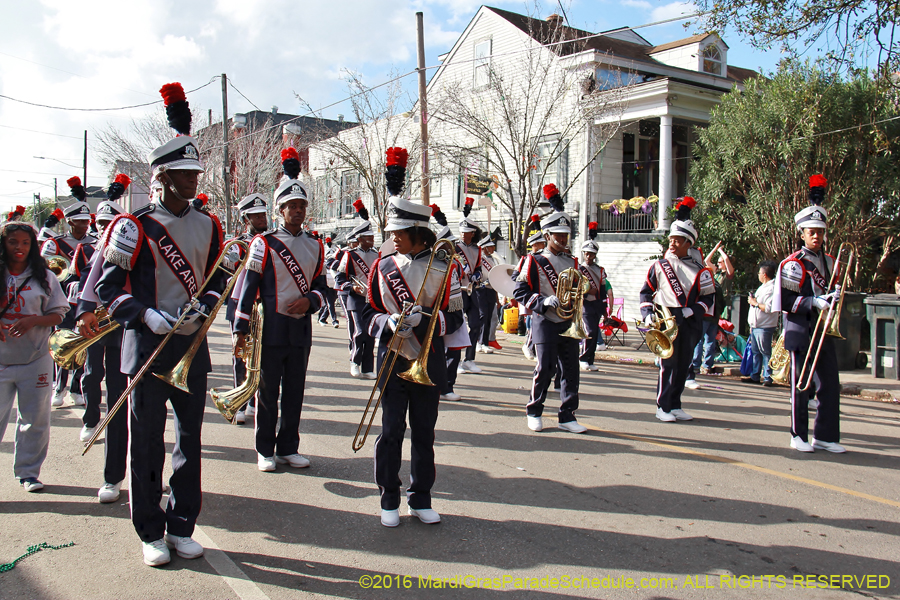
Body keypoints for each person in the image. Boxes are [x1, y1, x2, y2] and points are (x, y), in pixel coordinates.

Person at [95, 82, 227, 566]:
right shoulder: (132, 225)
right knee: (147, 443)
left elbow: (218, 277)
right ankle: (150, 529)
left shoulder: (210, 224)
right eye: (185, 174)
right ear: (164, 177)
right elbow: (110, 290)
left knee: (190, 442)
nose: (194, 180)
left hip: (191, 348)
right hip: (147, 348)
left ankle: (182, 522)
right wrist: (147, 313)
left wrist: (205, 305)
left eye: (196, 173)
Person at [363, 148, 463, 526]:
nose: (393, 239)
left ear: (418, 233)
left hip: (428, 358)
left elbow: (455, 318)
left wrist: (428, 322)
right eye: (391, 233)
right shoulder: (382, 265)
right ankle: (388, 497)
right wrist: (388, 323)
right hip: (391, 357)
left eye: (399, 234)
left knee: (424, 432)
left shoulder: (444, 266)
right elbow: (367, 313)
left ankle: (421, 497)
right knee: (390, 432)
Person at [233, 148, 326, 474]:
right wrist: (240, 329)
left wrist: (310, 301)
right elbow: (248, 287)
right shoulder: (264, 243)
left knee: (295, 393)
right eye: (292, 206)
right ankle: (265, 449)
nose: (298, 211)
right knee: (268, 392)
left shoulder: (316, 245)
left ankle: (289, 447)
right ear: (280, 210)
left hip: (300, 329)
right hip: (270, 328)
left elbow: (322, 287)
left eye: (302, 206)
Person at [775, 175, 845, 454]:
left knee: (830, 384)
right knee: (800, 387)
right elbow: (786, 300)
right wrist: (813, 302)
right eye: (811, 231)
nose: (816, 236)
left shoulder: (829, 262)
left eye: (820, 231)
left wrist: (833, 299)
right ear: (802, 233)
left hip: (823, 330)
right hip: (801, 329)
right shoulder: (793, 264)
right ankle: (798, 435)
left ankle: (826, 436)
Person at [513, 184, 588, 434]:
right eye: (558, 235)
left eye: (565, 235)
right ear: (547, 235)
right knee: (545, 368)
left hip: (567, 322)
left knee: (571, 370)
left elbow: (577, 290)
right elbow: (519, 291)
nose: (563, 239)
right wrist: (541, 301)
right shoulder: (534, 260)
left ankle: (567, 415)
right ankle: (534, 411)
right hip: (545, 322)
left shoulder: (573, 261)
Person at [0, 222, 68, 492]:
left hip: (35, 358)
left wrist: (33, 321)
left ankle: (28, 473)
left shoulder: (45, 276)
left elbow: (59, 314)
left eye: (26, 243)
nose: (19, 248)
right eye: (13, 242)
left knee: (35, 420)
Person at [639, 197, 715, 422]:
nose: (671, 244)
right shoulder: (659, 266)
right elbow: (645, 292)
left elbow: (708, 297)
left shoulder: (701, 270)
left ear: (688, 243)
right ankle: (662, 406)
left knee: (684, 366)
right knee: (667, 365)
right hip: (666, 321)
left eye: (677, 240)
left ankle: (675, 404)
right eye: (671, 240)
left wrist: (694, 311)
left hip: (690, 323)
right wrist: (648, 313)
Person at [43, 179, 97, 408]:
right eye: (80, 221)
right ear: (70, 221)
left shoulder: (94, 243)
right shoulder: (55, 243)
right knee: (62, 341)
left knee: (81, 344)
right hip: (61, 300)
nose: (85, 225)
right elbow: (44, 272)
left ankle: (75, 388)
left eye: (87, 221)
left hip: (83, 301)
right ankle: (59, 386)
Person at [225, 192, 270, 425]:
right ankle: (239, 401)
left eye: (263, 214)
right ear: (246, 220)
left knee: (260, 355)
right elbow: (228, 270)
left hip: (263, 305)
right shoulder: (238, 245)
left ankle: (254, 401)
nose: (262, 219)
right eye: (256, 216)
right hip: (240, 301)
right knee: (240, 353)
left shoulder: (272, 241)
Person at [334, 200, 378, 379]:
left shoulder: (377, 254)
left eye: (372, 237)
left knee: (370, 334)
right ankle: (355, 362)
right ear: (359, 239)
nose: (371, 240)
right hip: (356, 299)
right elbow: (339, 278)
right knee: (359, 332)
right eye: (368, 238)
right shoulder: (349, 255)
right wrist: (352, 287)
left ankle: (368, 368)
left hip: (372, 300)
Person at [684, 241, 732, 388]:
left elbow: (729, 270)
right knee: (707, 340)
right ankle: (704, 364)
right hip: (710, 315)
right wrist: (716, 249)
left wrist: (722, 254)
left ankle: (700, 364)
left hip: (710, 315)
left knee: (703, 340)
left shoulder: (721, 280)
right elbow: (706, 261)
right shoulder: (713, 278)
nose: (716, 265)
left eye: (719, 263)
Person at [456, 198, 484, 375]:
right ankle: (455, 360)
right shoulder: (454, 247)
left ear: (473, 233)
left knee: (475, 324)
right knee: (458, 326)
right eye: (462, 231)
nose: (463, 235)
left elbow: (479, 268)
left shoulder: (477, 250)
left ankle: (469, 359)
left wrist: (477, 275)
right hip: (457, 291)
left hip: (472, 291)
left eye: (467, 232)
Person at [743, 260, 779, 386]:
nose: (758, 275)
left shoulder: (772, 288)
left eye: (759, 272)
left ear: (764, 275)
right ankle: (755, 375)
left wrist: (755, 303)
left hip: (765, 325)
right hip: (756, 325)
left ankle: (768, 376)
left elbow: (769, 307)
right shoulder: (762, 287)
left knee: (765, 352)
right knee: (756, 352)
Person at [578, 222, 608, 371]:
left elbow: (602, 290)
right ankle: (583, 358)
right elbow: (575, 289)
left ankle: (591, 359)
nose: (589, 256)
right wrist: (588, 292)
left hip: (596, 305)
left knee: (595, 333)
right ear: (583, 254)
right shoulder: (579, 269)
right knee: (589, 332)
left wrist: (605, 308)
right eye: (587, 253)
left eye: (592, 254)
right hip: (585, 304)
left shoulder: (600, 270)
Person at [517, 219, 545, 361]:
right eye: (540, 243)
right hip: (530, 296)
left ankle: (532, 346)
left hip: (542, 295)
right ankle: (528, 346)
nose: (543, 246)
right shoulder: (526, 259)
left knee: (535, 324)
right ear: (534, 245)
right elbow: (516, 276)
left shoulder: (544, 259)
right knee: (531, 323)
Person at [474, 235, 501, 354]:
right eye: (491, 246)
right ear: (485, 248)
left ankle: (484, 342)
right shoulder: (479, 259)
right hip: (481, 290)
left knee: (489, 317)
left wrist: (497, 299)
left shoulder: (494, 260)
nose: (493, 248)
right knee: (483, 316)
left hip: (491, 290)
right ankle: (479, 342)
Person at [318, 236, 340, 328]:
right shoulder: (324, 265)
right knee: (330, 304)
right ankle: (334, 320)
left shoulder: (335, 263)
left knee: (329, 304)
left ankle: (322, 318)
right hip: (327, 287)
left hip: (334, 286)